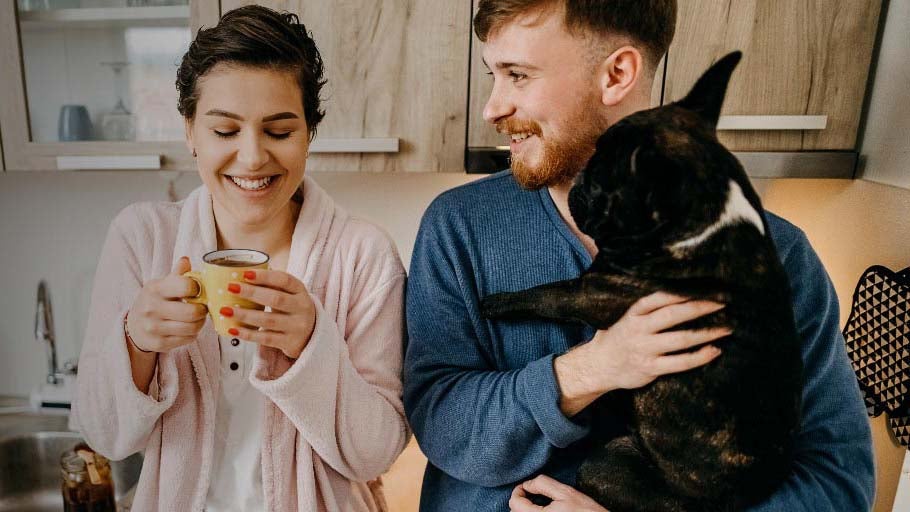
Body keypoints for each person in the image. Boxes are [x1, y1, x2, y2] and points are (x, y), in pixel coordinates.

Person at [403, 1, 875, 511]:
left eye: (517, 75)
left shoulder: (778, 255)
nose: (492, 108)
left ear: (617, 74)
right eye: (494, 74)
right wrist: (591, 369)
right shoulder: (460, 225)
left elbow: (837, 483)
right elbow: (441, 423)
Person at [75, 6, 408, 511]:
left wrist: (311, 346)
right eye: (225, 132)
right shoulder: (143, 238)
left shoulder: (362, 255)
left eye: (279, 131)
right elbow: (105, 437)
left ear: (309, 134)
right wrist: (137, 341)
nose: (252, 157)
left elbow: (376, 455)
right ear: (190, 131)